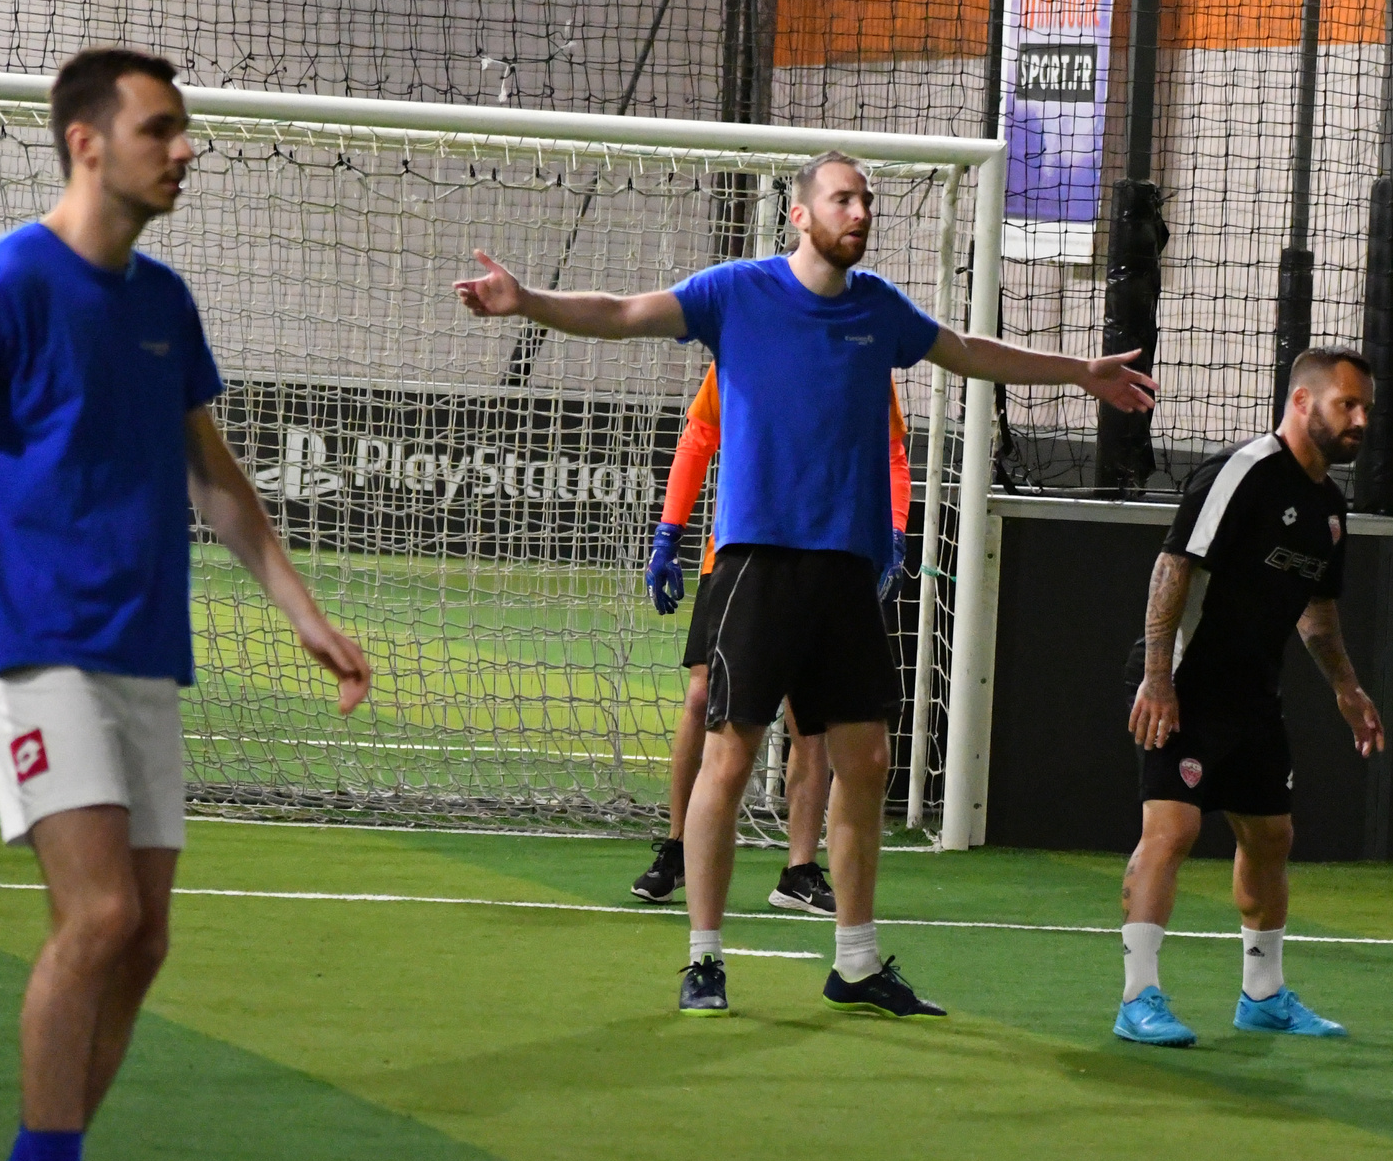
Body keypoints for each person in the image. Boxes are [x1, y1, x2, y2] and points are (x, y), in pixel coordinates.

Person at [459, 149, 1157, 1019]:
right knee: (729, 758)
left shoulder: (879, 308)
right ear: (801, 214)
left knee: (865, 763)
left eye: (865, 200)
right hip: (758, 564)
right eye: (842, 199)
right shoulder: (735, 292)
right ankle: (705, 958)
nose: (859, 212)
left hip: (846, 572)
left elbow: (969, 352)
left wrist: (1080, 371)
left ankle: (856, 964)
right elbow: (623, 312)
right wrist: (529, 301)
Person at [0, 48, 372, 1161]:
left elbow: (216, 478)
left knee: (144, 941)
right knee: (97, 915)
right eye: (160, 129)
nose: (185, 149)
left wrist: (306, 614)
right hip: (31, 645)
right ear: (87, 142)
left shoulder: (164, 300)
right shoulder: (2, 280)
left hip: (143, 651)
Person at [1119, 346, 1385, 1048]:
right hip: (1184, 683)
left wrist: (1347, 688)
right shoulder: (1242, 473)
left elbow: (1317, 612)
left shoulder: (1329, 507)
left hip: (1253, 693)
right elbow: (1172, 568)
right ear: (1302, 402)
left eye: (1366, 408)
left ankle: (1263, 996)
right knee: (1172, 830)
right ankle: (1138, 997)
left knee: (1270, 837)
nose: (1360, 420)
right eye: (1347, 405)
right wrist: (1158, 678)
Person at [634, 363, 913, 914]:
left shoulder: (862, 351)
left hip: (827, 558)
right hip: (740, 556)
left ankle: (799, 870)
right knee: (703, 700)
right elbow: (698, 437)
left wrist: (896, 532)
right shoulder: (743, 345)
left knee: (810, 720)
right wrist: (669, 532)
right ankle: (679, 846)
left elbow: (891, 453)